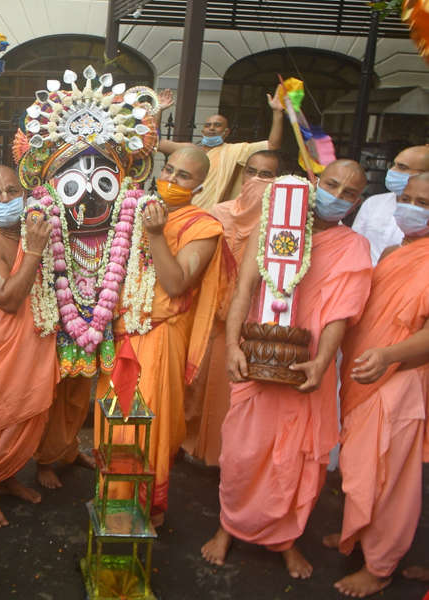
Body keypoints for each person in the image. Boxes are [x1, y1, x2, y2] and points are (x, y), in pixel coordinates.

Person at [202, 159, 373, 579]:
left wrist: (321, 360)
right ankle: (229, 527)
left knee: (296, 464)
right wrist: (233, 346)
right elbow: (244, 289)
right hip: (258, 357)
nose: (338, 195)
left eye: (349, 193)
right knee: (243, 453)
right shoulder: (275, 227)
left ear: (356, 203)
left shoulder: (353, 247)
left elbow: (341, 314)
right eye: (332, 184)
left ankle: (284, 539)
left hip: (308, 366)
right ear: (316, 182)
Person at [109, 146, 232, 526]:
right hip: (121, 334)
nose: (172, 180)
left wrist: (156, 235)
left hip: (160, 337)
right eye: (170, 170)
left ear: (200, 185)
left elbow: (177, 283)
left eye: (184, 177)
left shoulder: (204, 227)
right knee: (113, 425)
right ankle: (112, 503)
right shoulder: (136, 209)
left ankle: (143, 509)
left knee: (146, 428)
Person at [322, 173, 429, 598]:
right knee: (361, 470)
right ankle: (359, 534)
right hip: (365, 376)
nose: (411, 206)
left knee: (388, 479)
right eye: (406, 198)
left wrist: (388, 355)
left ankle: (380, 566)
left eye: (423, 201)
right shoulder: (398, 251)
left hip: (401, 380)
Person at [0, 165, 57, 528]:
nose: (5, 199)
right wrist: (33, 252)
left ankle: (6, 478)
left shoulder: (31, 233)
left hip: (30, 348)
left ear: (25, 195)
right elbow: (8, 300)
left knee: (21, 419)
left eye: (11, 191)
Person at [183, 150, 281, 465]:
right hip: (208, 314)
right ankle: (186, 442)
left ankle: (225, 455)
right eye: (251, 172)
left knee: (232, 391)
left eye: (266, 175)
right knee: (196, 383)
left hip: (251, 317)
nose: (256, 180)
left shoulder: (281, 223)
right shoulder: (218, 212)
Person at [158, 86, 284, 210]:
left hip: (209, 216)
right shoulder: (191, 150)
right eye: (208, 125)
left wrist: (277, 112)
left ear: (226, 132)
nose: (212, 128)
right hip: (179, 209)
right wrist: (158, 110)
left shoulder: (235, 151)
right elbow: (156, 143)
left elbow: (272, 145)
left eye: (217, 125)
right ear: (203, 131)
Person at [352, 145, 429, 264]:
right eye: (394, 165)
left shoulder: (423, 214)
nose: (393, 170)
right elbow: (355, 244)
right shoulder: (374, 203)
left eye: (402, 167)